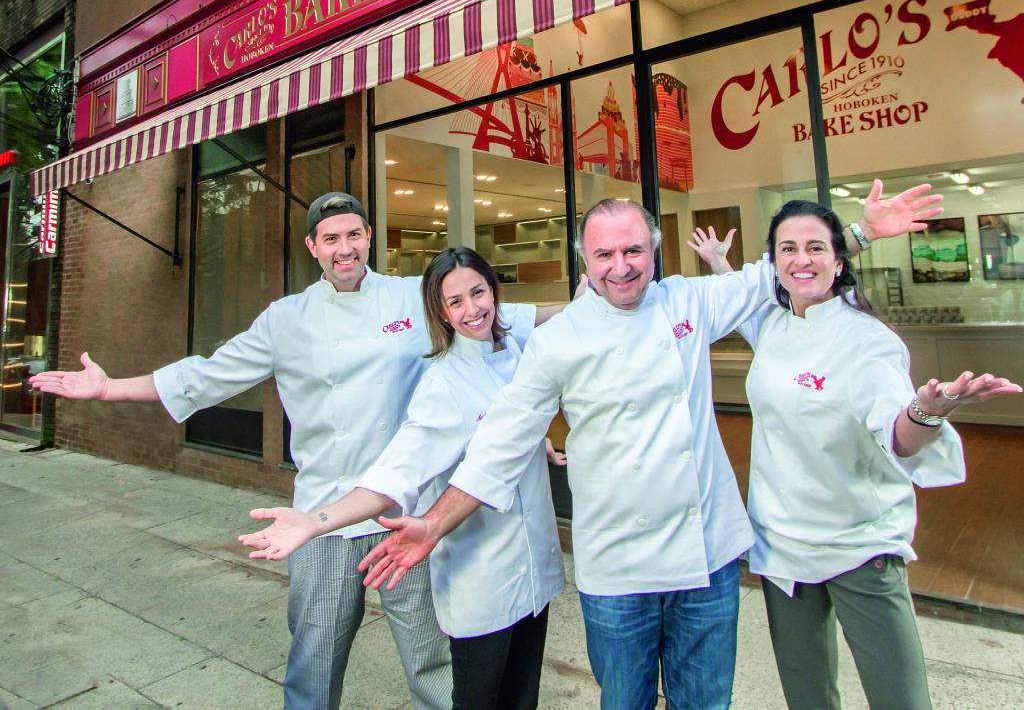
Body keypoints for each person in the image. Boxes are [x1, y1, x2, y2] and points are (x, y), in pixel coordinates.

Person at [354, 182, 943, 710]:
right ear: (586, 260)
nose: (621, 267)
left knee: (705, 701)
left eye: (633, 251)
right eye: (604, 255)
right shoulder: (560, 340)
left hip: (706, 556)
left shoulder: (688, 302)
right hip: (618, 569)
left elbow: (780, 273)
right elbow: (499, 445)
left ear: (654, 251)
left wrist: (860, 233)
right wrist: (434, 523)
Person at [29, 192, 559, 710]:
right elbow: (208, 376)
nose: (344, 249)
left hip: (406, 510)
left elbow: (509, 319)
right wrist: (110, 388)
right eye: (331, 239)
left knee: (433, 662)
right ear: (312, 247)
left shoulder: (411, 298)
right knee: (315, 660)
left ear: (369, 237)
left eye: (354, 235)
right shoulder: (286, 319)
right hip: (323, 516)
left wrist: (596, 301)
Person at [688, 202, 1022, 710]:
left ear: (839, 262)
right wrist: (719, 263)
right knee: (808, 696)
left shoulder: (867, 341)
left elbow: (898, 437)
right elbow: (743, 301)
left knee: (900, 699)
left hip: (859, 546)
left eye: (816, 248)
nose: (802, 259)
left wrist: (927, 412)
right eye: (788, 249)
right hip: (782, 547)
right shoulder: (772, 324)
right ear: (774, 263)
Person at [237, 246, 566, 710]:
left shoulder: (516, 352)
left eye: (478, 293)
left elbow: (516, 418)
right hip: (483, 583)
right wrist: (315, 521)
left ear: (494, 292)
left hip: (536, 575)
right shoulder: (443, 383)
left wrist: (538, 441)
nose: (472, 309)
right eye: (455, 302)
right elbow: (396, 472)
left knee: (522, 699)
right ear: (442, 313)